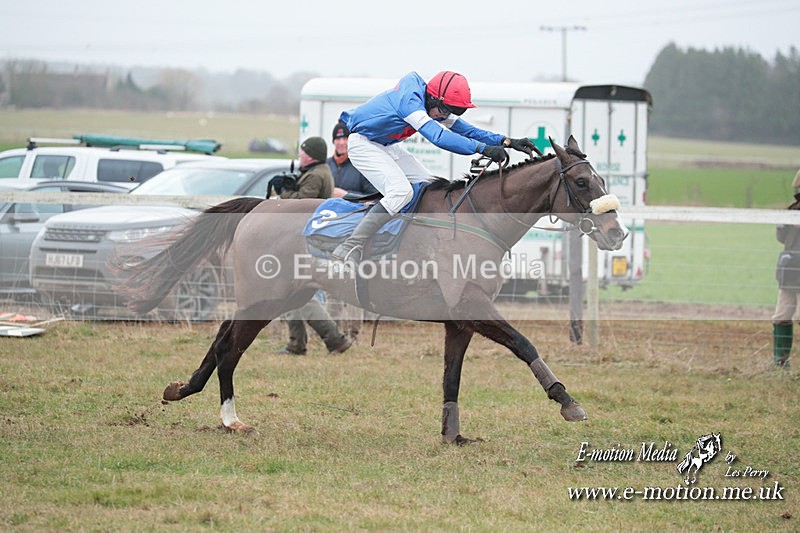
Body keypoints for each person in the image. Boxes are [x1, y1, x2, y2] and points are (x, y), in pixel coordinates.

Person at [331, 70, 536, 265]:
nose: (444, 116)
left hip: (386, 145)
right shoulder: (410, 102)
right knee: (401, 192)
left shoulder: (434, 101)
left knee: (432, 188)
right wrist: (483, 149)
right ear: (434, 99)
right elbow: (438, 137)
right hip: (363, 144)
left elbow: (467, 130)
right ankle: (350, 246)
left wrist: (506, 141)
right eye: (445, 111)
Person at [275, 136, 352, 355]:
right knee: (290, 289)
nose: (300, 155)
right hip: (305, 238)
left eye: (303, 152)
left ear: (312, 156)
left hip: (303, 240)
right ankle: (296, 343)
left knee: (298, 292)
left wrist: (284, 192)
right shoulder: (318, 172)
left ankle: (334, 339)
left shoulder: (317, 175)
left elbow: (297, 204)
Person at [772, 167, 800, 368]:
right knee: (781, 317)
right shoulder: (793, 208)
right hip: (790, 269)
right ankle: (780, 362)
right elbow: (781, 238)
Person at [327, 121, 379, 198]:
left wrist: (347, 195)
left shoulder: (362, 165)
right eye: (338, 139)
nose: (341, 142)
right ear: (333, 141)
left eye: (345, 138)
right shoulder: (326, 164)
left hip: (353, 210)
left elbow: (373, 197)